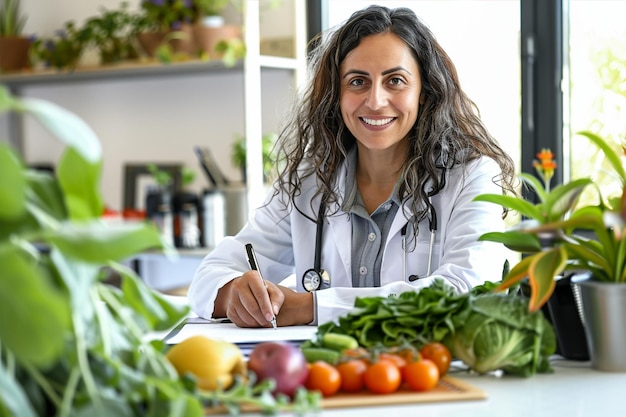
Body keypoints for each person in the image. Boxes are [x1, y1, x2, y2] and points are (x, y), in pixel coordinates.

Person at [188, 5, 516, 328]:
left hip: (428, 374)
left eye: (396, 81)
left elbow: (471, 288)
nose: (375, 101)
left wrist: (312, 307)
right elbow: (210, 274)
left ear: (424, 93)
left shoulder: (471, 177)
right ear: (336, 94)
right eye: (358, 81)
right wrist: (235, 293)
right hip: (328, 373)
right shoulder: (309, 183)